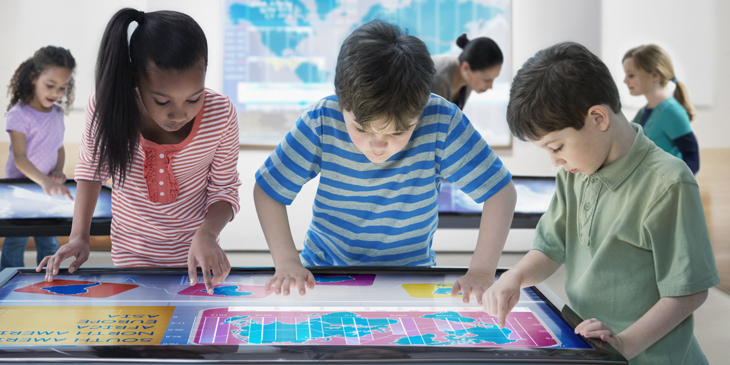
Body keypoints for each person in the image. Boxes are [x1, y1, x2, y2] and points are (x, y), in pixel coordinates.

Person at [483, 42, 719, 364]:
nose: (555, 162)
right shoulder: (575, 172)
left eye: (557, 147)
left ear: (598, 118)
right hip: (591, 347)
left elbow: (688, 291)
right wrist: (515, 276)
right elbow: (551, 246)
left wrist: (622, 344)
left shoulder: (669, 184)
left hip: (645, 355)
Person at [254, 20, 516, 303]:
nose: (377, 146)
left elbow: (501, 192)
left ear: (422, 106)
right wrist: (287, 261)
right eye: (362, 130)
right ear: (342, 102)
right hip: (324, 273)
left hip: (410, 278)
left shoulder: (440, 120)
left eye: (397, 132)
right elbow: (268, 190)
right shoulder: (323, 119)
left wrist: (481, 270)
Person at [37, 8, 242, 294]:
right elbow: (92, 171)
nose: (179, 114)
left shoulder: (220, 115)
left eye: (194, 98)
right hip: (131, 256)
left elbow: (224, 189)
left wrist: (208, 234)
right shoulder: (107, 106)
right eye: (162, 101)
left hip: (197, 258)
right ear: (134, 78)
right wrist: (79, 236)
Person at [2, 46, 76, 270]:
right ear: (34, 78)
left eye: (62, 88)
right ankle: (8, 279)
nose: (56, 93)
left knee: (49, 241)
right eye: (50, 85)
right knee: (16, 241)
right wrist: (44, 181)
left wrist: (58, 171)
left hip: (49, 191)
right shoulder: (18, 114)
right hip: (21, 189)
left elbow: (58, 148)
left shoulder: (57, 114)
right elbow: (20, 157)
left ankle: (48, 276)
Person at [622, 44, 699, 174]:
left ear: (654, 76)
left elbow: (692, 158)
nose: (625, 81)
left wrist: (673, 186)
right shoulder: (643, 112)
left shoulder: (671, 111)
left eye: (631, 75)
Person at [431, 34, 503, 109]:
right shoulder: (436, 81)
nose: (491, 87)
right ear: (465, 68)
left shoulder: (467, 79)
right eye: (486, 80)